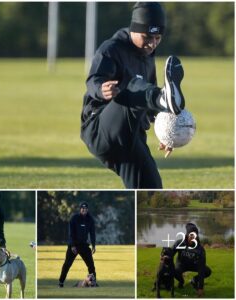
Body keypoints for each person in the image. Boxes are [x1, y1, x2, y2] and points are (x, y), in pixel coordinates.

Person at [80, 2, 186, 189]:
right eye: (147, 37)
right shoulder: (111, 49)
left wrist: (166, 131)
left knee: (151, 187)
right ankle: (163, 98)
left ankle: (164, 99)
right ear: (134, 29)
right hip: (100, 130)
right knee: (131, 87)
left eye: (158, 38)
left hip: (131, 136)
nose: (152, 44)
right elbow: (93, 80)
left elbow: (146, 98)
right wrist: (101, 89)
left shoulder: (148, 56)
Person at [58, 202, 97, 287]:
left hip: (84, 245)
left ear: (87, 209)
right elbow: (71, 233)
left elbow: (92, 233)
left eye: (85, 209)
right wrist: (72, 246)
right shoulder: (74, 218)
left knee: (91, 265)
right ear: (80, 209)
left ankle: (94, 282)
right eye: (82, 208)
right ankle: (61, 282)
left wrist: (93, 245)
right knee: (67, 264)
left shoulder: (90, 219)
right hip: (74, 245)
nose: (84, 210)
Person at [172, 223, 212, 298]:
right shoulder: (179, 243)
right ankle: (181, 281)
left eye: (195, 235)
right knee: (174, 270)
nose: (193, 237)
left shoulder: (200, 249)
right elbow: (171, 253)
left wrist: (200, 287)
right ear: (187, 235)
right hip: (182, 264)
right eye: (191, 235)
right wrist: (164, 256)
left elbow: (201, 267)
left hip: (194, 265)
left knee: (207, 271)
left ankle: (194, 280)